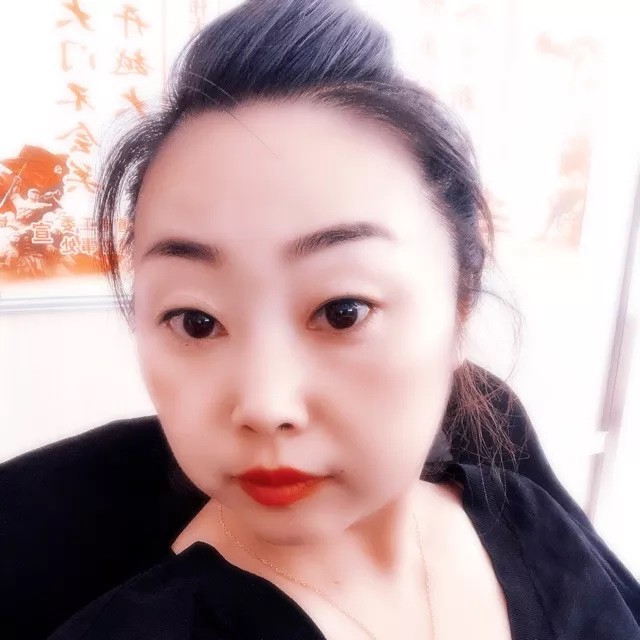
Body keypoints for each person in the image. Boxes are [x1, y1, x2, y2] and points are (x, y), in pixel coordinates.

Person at [3, 1, 639, 638]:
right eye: (196, 321)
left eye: (342, 312)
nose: (265, 405)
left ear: (460, 302)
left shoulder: (528, 516)